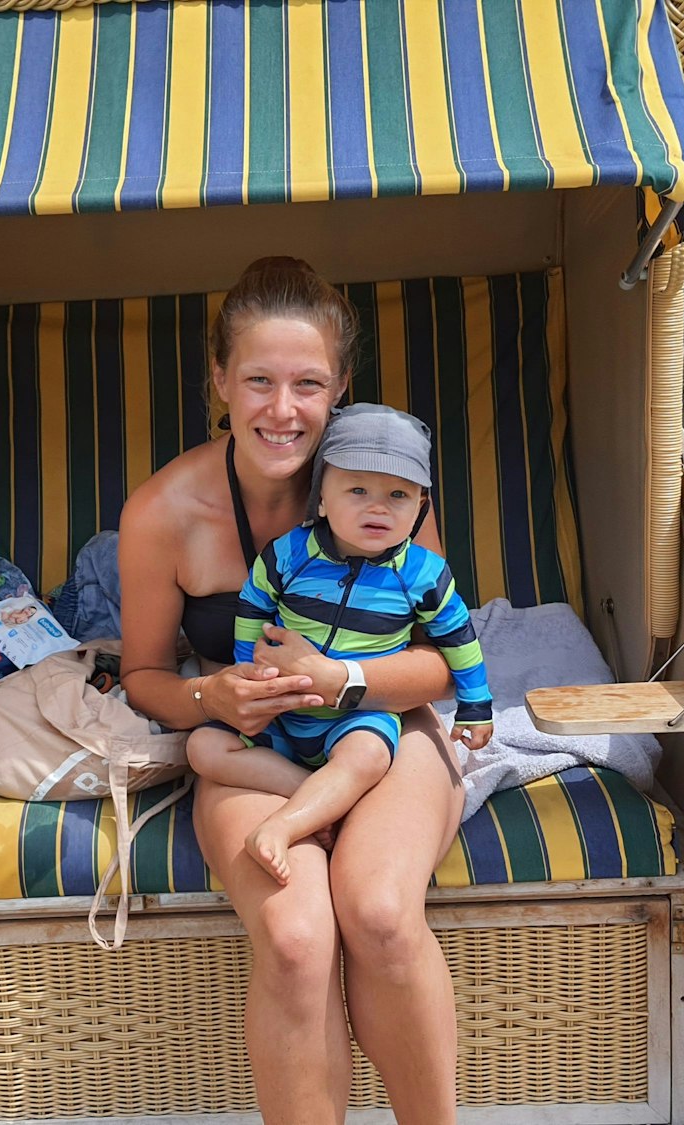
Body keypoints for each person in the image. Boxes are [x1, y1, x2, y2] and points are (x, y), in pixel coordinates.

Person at [119, 256, 467, 1122]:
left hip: (385, 726)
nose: (284, 410)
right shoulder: (163, 512)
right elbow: (143, 675)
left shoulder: (390, 485)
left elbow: (445, 660)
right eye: (260, 381)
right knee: (296, 932)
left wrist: (342, 676)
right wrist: (212, 701)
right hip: (256, 748)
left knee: (381, 912)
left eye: (308, 384)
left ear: (340, 386)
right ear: (219, 380)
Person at [185, 403, 493, 884]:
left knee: (369, 755)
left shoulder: (424, 573)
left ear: (420, 508)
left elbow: (460, 641)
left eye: (398, 494)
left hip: (355, 715)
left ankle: (284, 826)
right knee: (203, 747)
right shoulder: (290, 553)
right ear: (322, 498)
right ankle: (314, 793)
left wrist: (477, 705)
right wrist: (250, 676)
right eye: (357, 490)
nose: (378, 506)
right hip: (282, 714)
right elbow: (253, 608)